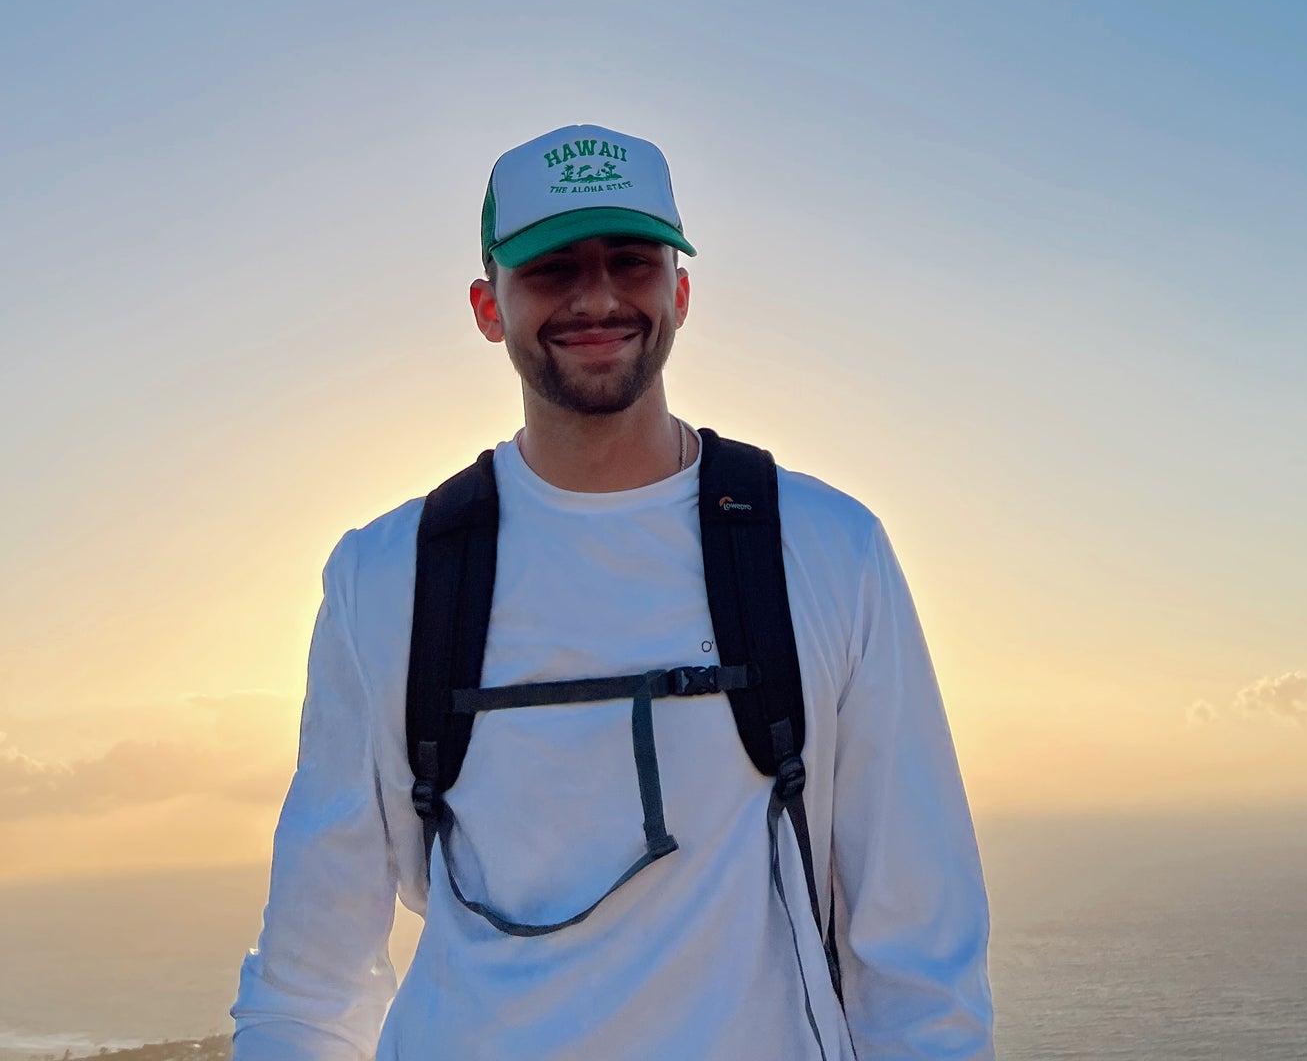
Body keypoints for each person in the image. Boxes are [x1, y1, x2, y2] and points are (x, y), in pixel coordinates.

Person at [231, 124, 994, 1060]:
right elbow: (310, 976)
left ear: (679, 290)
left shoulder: (828, 549)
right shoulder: (388, 576)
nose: (597, 295)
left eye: (630, 260)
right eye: (552, 267)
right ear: (486, 305)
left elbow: (921, 953)